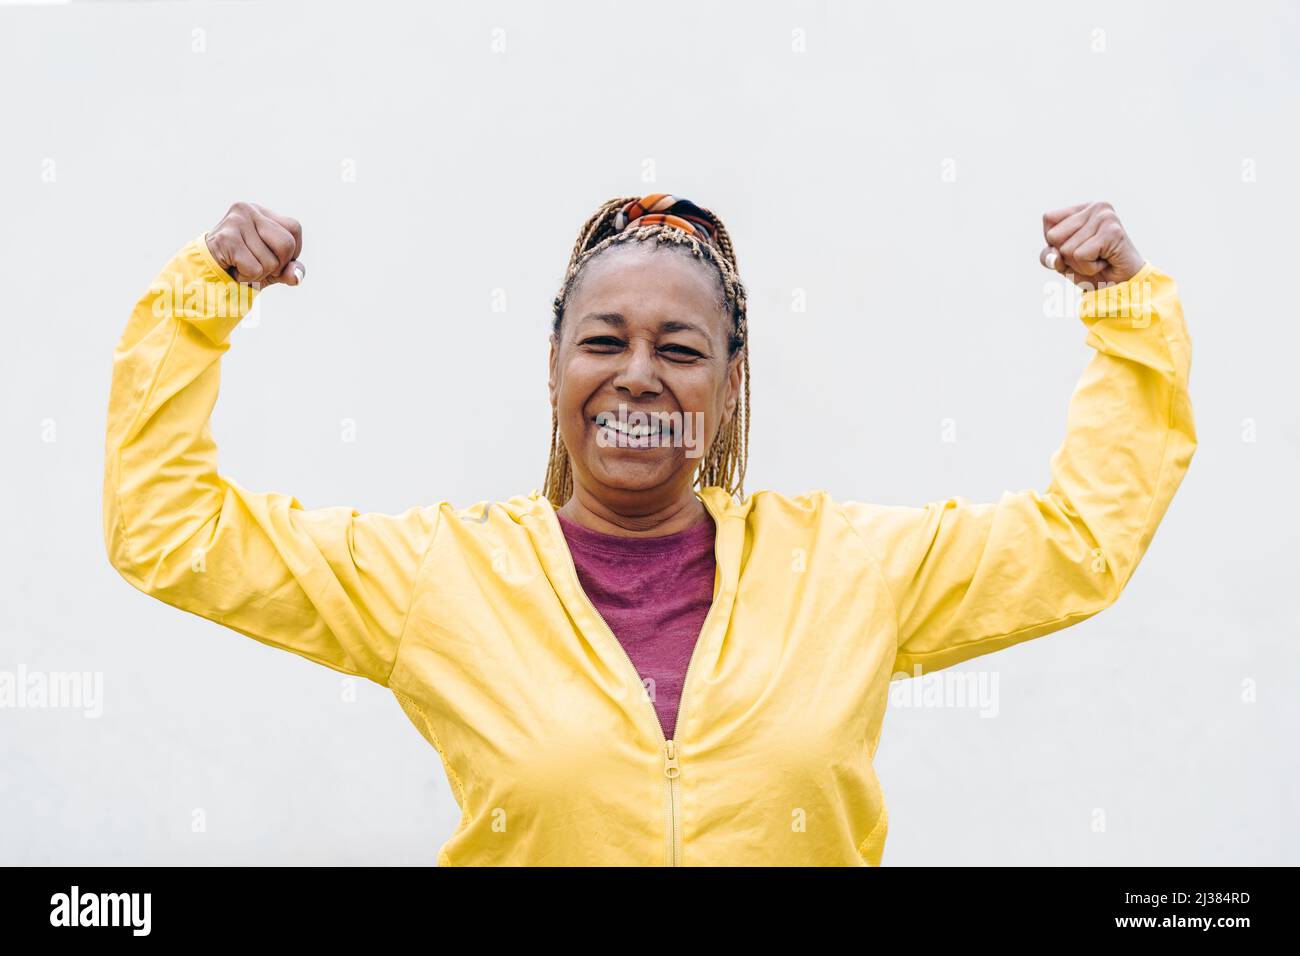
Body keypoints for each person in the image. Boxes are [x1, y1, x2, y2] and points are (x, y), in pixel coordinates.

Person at [103, 193, 1196, 866]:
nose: (636, 371)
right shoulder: (440, 575)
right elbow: (168, 528)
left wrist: (1126, 314)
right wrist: (201, 302)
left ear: (725, 386)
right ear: (552, 369)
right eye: (602, 340)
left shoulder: (849, 568)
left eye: (679, 348)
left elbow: (1078, 542)